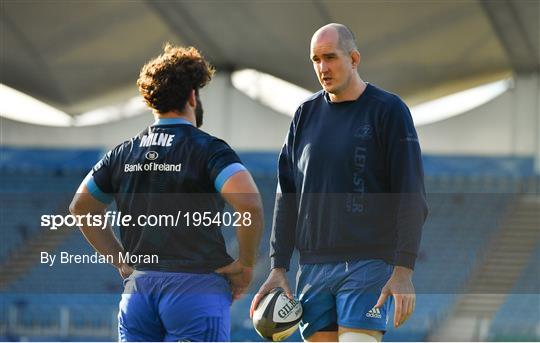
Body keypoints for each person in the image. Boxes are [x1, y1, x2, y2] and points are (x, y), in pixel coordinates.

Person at [70, 44, 263, 341]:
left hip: (138, 292)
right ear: (192, 96)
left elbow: (81, 207)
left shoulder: (122, 153)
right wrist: (245, 265)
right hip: (197, 291)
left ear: (152, 100)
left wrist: (120, 260)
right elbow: (249, 205)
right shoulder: (209, 150)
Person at [250, 23, 428, 342]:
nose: (322, 68)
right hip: (313, 267)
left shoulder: (388, 111)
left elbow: (411, 194)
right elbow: (286, 197)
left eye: (330, 57)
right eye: (316, 60)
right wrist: (278, 267)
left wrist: (404, 270)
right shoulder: (304, 116)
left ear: (354, 58)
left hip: (368, 264)